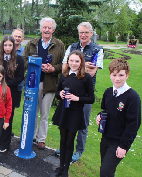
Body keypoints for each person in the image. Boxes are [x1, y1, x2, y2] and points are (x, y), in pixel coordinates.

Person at [57, 22, 103, 162]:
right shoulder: (73, 46)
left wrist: (77, 67)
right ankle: (65, 147)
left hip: (84, 94)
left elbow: (92, 72)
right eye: (81, 32)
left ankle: (79, 150)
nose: (83, 35)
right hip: (69, 91)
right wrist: (84, 65)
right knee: (66, 121)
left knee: (83, 123)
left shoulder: (97, 49)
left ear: (91, 33)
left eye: (86, 32)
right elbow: (65, 68)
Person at [22, 17, 65, 149]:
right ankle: (32, 136)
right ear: (40, 28)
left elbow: (64, 65)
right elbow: (24, 61)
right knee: (33, 111)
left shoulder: (59, 45)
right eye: (44, 27)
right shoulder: (32, 43)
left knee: (44, 114)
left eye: (49, 28)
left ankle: (41, 139)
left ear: (53, 30)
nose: (46, 30)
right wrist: (36, 65)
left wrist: (53, 69)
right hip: (33, 83)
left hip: (50, 84)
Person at [51, 50, 94, 177]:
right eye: (71, 61)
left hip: (75, 113)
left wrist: (77, 98)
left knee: (70, 141)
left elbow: (91, 98)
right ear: (68, 61)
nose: (74, 64)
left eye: (77, 61)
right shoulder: (64, 75)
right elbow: (57, 93)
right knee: (62, 140)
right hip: (64, 111)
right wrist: (61, 94)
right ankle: (60, 167)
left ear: (81, 62)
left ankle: (66, 170)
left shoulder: (86, 77)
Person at [96, 59, 141, 177]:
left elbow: (133, 125)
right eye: (114, 74)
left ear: (127, 75)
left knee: (105, 172)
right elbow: (104, 111)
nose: (117, 78)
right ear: (110, 74)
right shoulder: (108, 92)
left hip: (118, 142)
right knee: (105, 170)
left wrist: (124, 146)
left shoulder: (132, 97)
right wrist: (99, 116)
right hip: (105, 138)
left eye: (121, 75)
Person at [0, 35, 24, 152]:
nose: (7, 47)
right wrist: (0, 85)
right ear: (2, 46)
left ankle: (5, 143)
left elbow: (20, 77)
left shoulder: (19, 60)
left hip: (12, 92)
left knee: (8, 117)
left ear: (13, 46)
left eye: (10, 45)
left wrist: (8, 84)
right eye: (5, 45)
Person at [12, 28, 25, 109]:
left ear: (22, 39)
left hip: (18, 85)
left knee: (12, 107)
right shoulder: (7, 48)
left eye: (19, 36)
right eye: (15, 36)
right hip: (5, 83)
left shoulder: (24, 52)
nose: (17, 38)